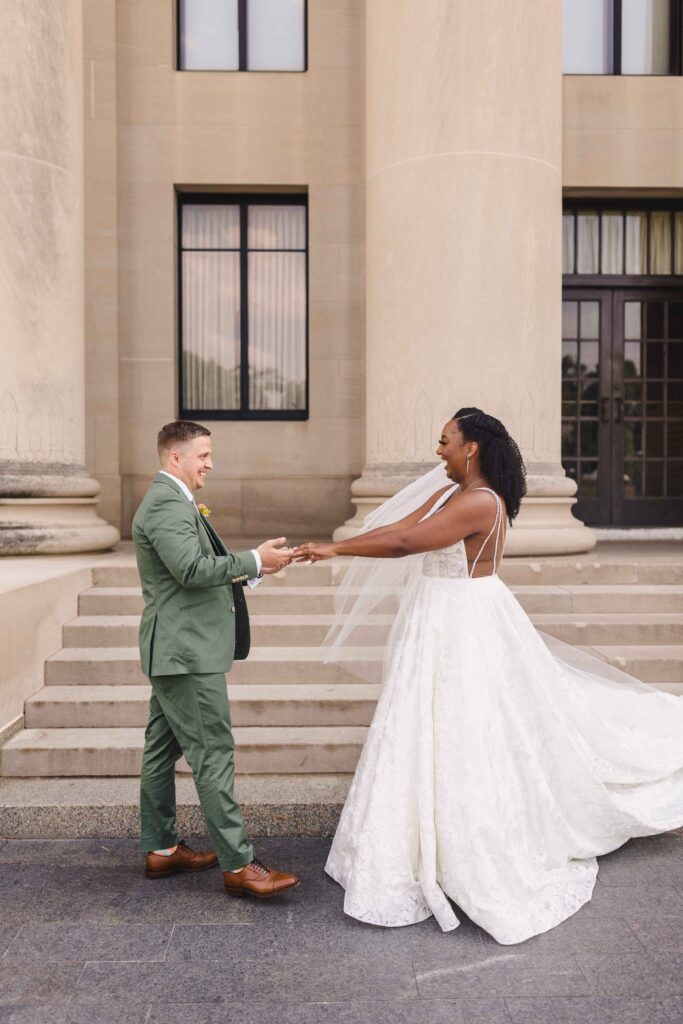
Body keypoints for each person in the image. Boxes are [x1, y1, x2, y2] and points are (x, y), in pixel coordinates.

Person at [296, 407, 683, 944]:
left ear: (471, 447)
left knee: (463, 730)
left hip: (459, 621)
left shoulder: (478, 501)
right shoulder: (453, 495)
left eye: (445, 440)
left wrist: (333, 547)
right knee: (426, 727)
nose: (439, 451)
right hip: (440, 617)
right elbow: (404, 528)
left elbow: (409, 545)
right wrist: (342, 542)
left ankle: (467, 846)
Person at [133, 420, 300, 898]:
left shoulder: (174, 500)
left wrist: (256, 567)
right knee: (213, 755)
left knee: (162, 751)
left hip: (177, 649)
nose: (210, 462)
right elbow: (189, 570)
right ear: (175, 458)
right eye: (203, 454)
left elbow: (193, 568)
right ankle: (239, 864)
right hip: (187, 653)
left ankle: (163, 849)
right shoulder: (166, 502)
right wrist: (251, 560)